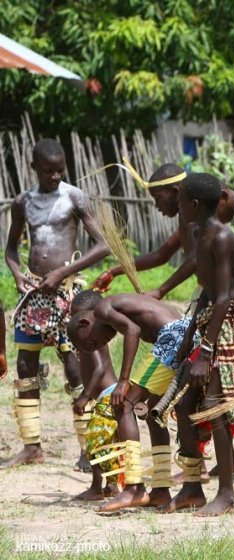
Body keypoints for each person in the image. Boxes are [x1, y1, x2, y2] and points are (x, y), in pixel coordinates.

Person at [4, 138, 109, 468]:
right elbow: (10, 250)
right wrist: (17, 274)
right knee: (25, 367)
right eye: (48, 171)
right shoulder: (23, 202)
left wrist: (64, 271)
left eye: (60, 170)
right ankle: (32, 446)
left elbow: (103, 245)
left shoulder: (74, 197)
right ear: (34, 168)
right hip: (34, 294)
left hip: (66, 294)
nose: (55, 176)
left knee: (75, 367)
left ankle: (87, 448)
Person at [165, 172, 234, 516]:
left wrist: (205, 351)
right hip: (210, 319)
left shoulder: (223, 238)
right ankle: (192, 488)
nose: (176, 206)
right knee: (185, 405)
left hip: (231, 322)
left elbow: (223, 297)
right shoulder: (197, 233)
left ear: (192, 204)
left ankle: (227, 494)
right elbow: (206, 293)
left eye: (179, 201)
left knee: (215, 406)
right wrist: (189, 335)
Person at [68, 290, 196, 511]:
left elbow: (132, 330)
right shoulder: (119, 304)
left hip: (174, 338)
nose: (99, 345)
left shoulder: (102, 309)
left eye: (93, 342)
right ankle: (161, 489)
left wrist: (124, 380)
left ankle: (134, 487)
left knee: (124, 405)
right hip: (184, 334)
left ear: (84, 323)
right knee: (154, 415)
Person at [92, 163, 234, 297]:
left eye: (158, 198)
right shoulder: (192, 217)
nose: (157, 206)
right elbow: (162, 254)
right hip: (210, 296)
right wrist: (114, 270)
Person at [67, 292, 120, 502]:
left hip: (106, 396)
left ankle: (98, 487)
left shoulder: (91, 339)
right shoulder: (89, 337)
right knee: (107, 441)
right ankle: (111, 485)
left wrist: (85, 395)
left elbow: (99, 369)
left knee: (95, 441)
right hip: (106, 397)